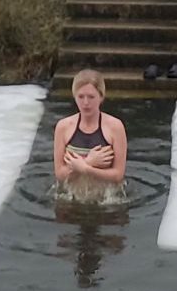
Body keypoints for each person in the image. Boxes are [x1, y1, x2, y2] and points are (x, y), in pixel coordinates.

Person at [53, 70, 127, 200]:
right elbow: (59, 174)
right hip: (71, 198)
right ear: (74, 96)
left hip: (106, 200)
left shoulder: (115, 127)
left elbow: (118, 175)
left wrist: (86, 169)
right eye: (81, 97)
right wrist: (88, 161)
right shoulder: (63, 127)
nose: (86, 103)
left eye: (91, 97)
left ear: (101, 97)